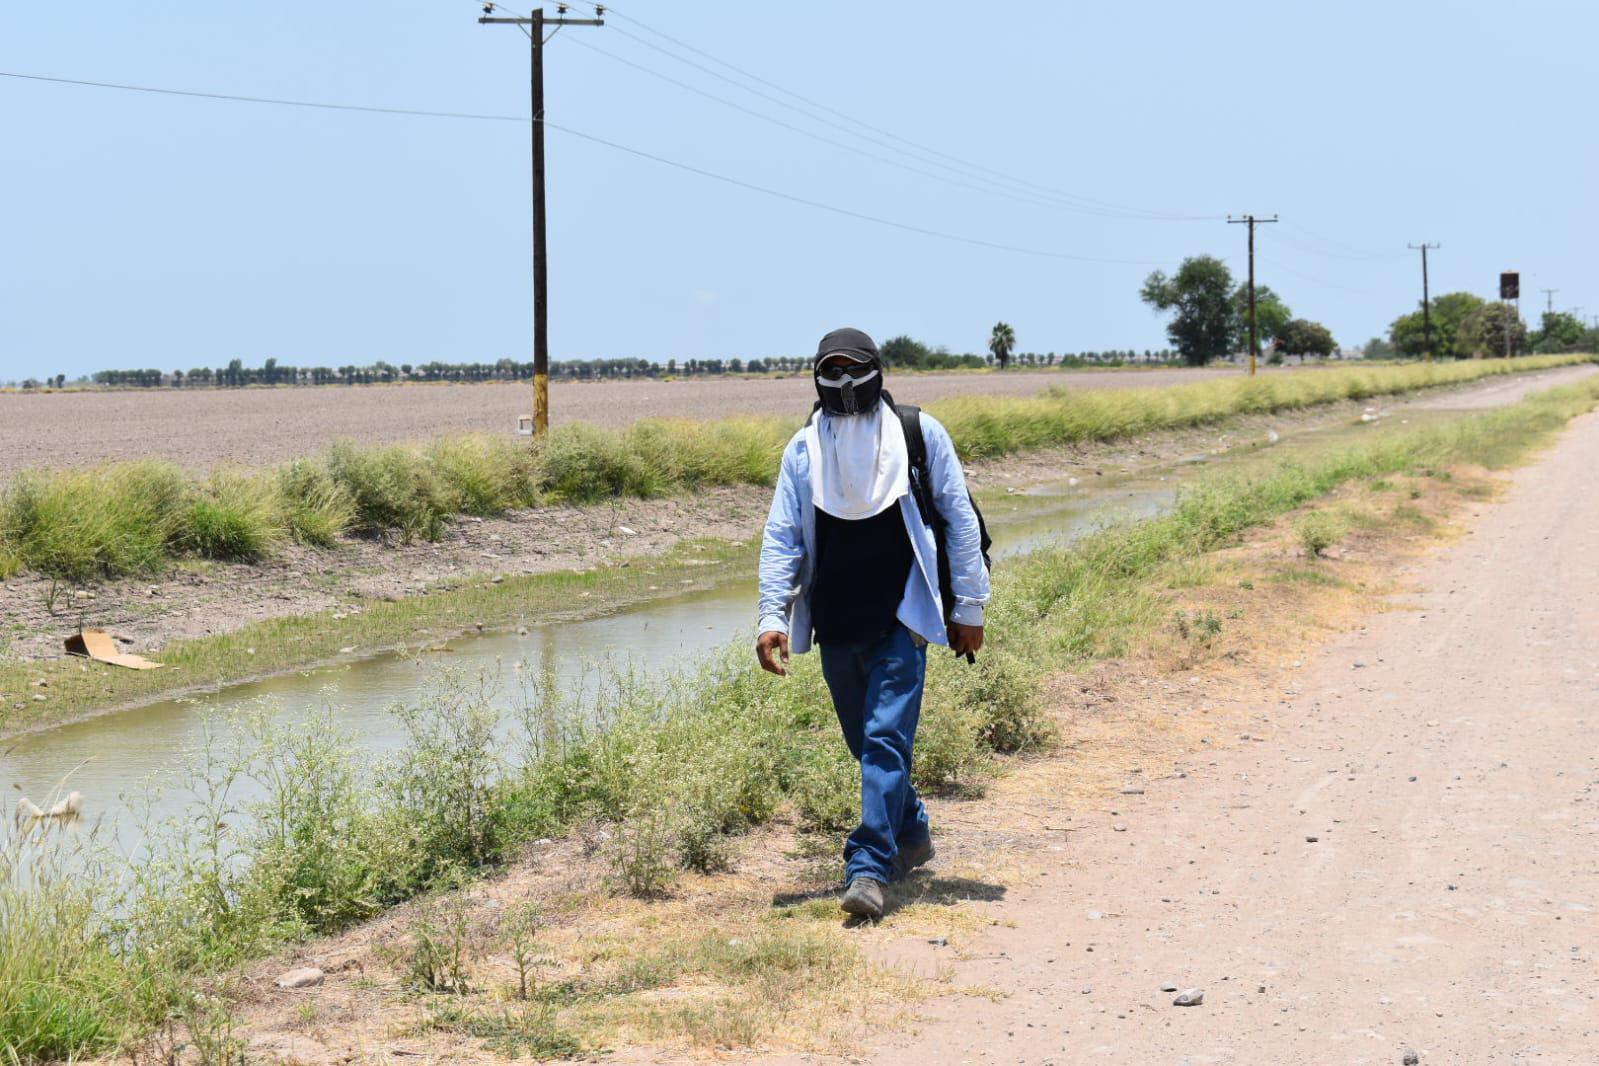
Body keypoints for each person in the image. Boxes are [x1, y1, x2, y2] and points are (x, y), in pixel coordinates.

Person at [756, 327, 990, 921]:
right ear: (814, 378)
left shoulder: (918, 433)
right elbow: (783, 538)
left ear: (877, 371)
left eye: (852, 368)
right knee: (865, 744)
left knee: (885, 738)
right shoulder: (804, 450)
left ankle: (867, 867)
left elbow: (959, 521)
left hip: (903, 614)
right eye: (829, 371)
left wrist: (969, 608)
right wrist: (771, 616)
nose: (843, 382)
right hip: (836, 618)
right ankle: (911, 832)